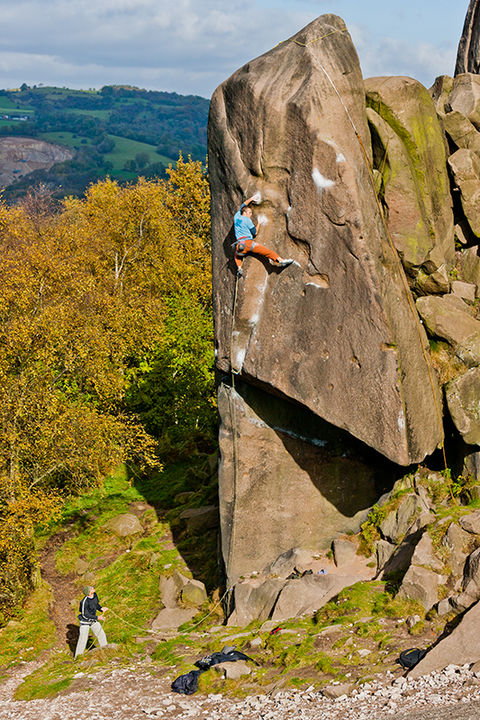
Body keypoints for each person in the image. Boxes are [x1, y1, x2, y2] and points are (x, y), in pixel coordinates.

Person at [233, 194, 293, 276]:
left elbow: (243, 205)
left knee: (237, 256)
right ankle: (280, 260)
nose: (250, 215)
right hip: (249, 243)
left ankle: (239, 268)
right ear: (245, 213)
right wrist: (259, 223)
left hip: (240, 245)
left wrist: (251, 199)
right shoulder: (247, 220)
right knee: (267, 252)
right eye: (250, 213)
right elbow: (255, 233)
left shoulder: (236, 217)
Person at [74, 585, 109, 658]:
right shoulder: (84, 602)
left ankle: (106, 651)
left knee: (101, 635)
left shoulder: (95, 595)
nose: (93, 588)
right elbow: (85, 614)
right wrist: (97, 617)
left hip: (93, 621)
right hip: (85, 622)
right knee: (83, 639)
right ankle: (78, 657)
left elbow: (96, 604)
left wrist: (101, 609)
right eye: (91, 589)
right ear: (88, 593)